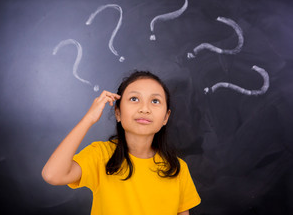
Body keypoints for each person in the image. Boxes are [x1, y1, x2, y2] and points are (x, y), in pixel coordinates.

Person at [42, 70, 201, 215]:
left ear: (165, 118)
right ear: (118, 112)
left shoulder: (177, 168)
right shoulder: (101, 155)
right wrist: (89, 119)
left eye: (155, 101)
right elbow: (52, 175)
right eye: (134, 98)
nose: (144, 108)